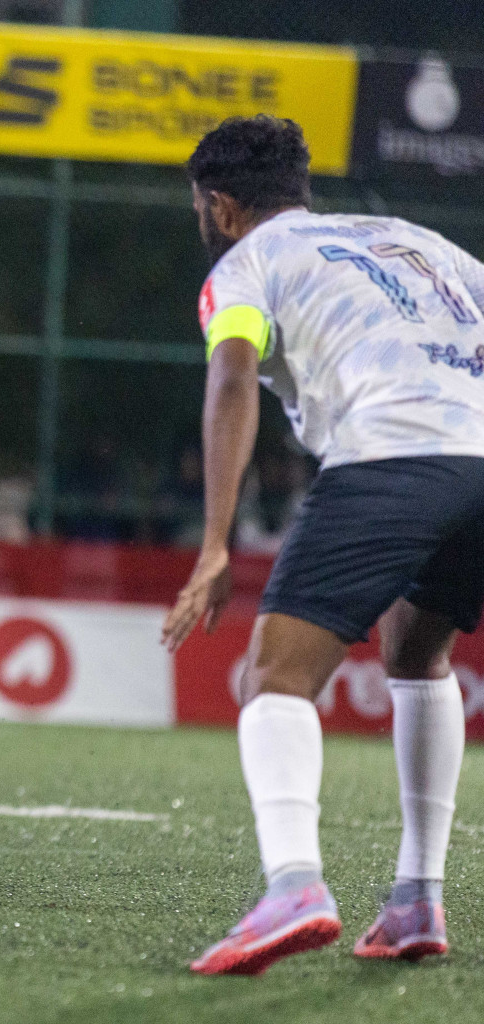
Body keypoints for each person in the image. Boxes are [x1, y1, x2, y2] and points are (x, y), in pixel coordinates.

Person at [164, 115, 484, 975]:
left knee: (275, 673)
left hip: (393, 452)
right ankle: (417, 897)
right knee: (417, 651)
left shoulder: (247, 264)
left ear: (221, 206)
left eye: (201, 208)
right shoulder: (418, 241)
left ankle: (295, 885)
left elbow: (232, 378)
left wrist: (214, 543)